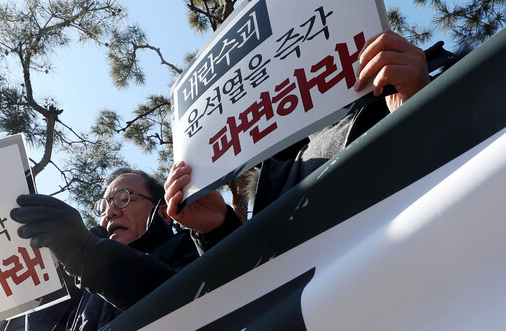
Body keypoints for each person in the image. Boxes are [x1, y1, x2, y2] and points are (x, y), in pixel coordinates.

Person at [164, 30, 451, 229]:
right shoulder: (274, 170)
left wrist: (422, 117)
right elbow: (266, 289)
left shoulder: (433, 77)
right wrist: (218, 229)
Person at [11, 167, 241, 331]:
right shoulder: (87, 283)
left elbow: (191, 305)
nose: (110, 212)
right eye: (104, 205)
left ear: (162, 213)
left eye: (124, 199)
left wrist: (86, 254)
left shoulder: (191, 245)